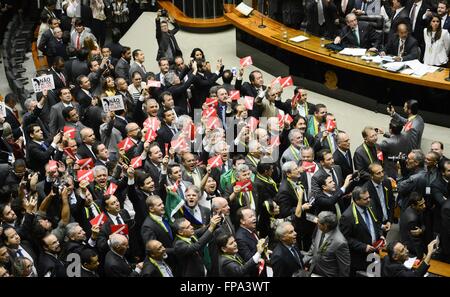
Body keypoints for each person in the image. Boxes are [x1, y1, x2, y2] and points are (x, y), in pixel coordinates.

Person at [339, 186, 384, 275]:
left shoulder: (370, 205)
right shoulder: (347, 217)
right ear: (357, 200)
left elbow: (375, 223)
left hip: (375, 252)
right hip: (360, 257)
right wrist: (363, 247)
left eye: (369, 197)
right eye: (365, 199)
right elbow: (345, 239)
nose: (369, 200)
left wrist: (380, 235)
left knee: (376, 274)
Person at [302, 211, 351, 277]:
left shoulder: (340, 243)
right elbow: (314, 246)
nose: (317, 223)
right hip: (314, 271)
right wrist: (302, 262)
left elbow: (344, 268)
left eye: (318, 222)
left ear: (325, 226)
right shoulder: (320, 229)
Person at [365, 163, 395, 233]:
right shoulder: (366, 189)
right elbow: (369, 211)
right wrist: (380, 225)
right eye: (378, 173)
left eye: (382, 171)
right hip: (376, 225)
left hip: (388, 221)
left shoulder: (387, 182)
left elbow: (391, 202)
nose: (382, 175)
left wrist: (390, 220)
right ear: (371, 176)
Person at [400, 192, 427, 258]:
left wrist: (421, 230)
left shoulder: (415, 209)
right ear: (413, 205)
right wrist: (420, 255)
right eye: (421, 205)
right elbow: (416, 242)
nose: (424, 206)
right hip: (411, 249)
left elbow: (423, 223)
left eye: (424, 203)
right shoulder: (412, 219)